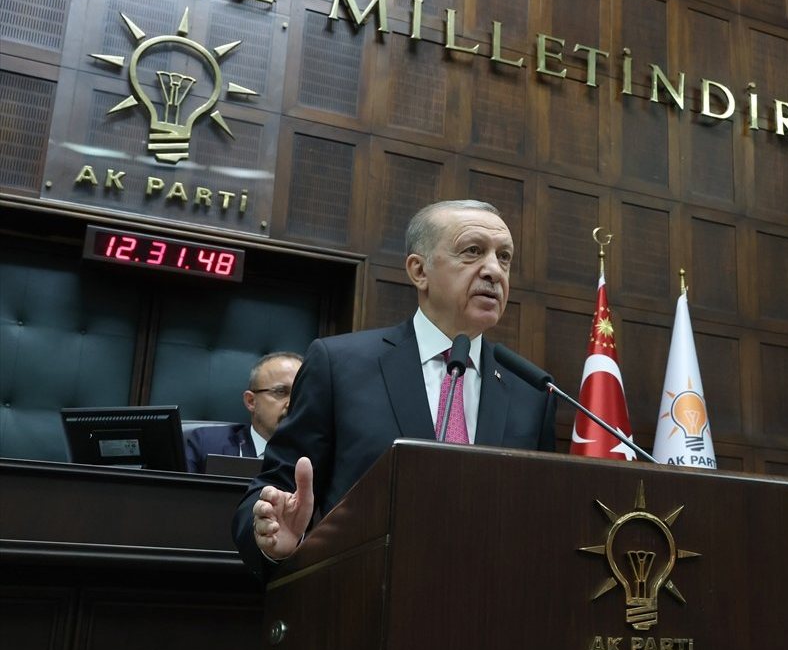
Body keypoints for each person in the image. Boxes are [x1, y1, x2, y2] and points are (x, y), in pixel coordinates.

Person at [231, 200, 557, 580]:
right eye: (472, 251)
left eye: (504, 257)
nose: (493, 270)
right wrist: (273, 537)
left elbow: (543, 520)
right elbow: (274, 487)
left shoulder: (532, 391)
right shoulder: (339, 365)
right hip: (363, 596)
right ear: (419, 270)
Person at [184, 352, 302, 473]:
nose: (291, 403)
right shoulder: (208, 443)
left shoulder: (313, 454)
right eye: (280, 392)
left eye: (300, 393)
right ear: (251, 401)